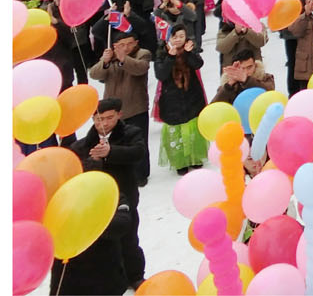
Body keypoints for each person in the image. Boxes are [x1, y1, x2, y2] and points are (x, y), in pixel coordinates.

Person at [68, 99, 147, 289]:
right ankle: (112, 279)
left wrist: (111, 152)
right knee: (104, 244)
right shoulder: (83, 144)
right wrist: (94, 160)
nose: (103, 124)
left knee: (129, 239)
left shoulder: (130, 134)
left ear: (119, 115)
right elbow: (75, 169)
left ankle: (135, 275)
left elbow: (137, 153)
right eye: (98, 119)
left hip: (124, 195)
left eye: (108, 118)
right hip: (96, 201)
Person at [88, 30, 152, 186]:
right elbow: (94, 74)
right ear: (115, 45)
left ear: (136, 42)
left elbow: (140, 68)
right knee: (116, 142)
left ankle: (141, 175)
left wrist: (124, 58)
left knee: (138, 141)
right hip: (113, 110)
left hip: (136, 106)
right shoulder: (110, 58)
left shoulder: (142, 54)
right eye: (121, 45)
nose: (126, 47)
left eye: (129, 43)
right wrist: (104, 61)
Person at [154, 24, 209, 174]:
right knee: (176, 131)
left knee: (193, 128)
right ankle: (180, 162)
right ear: (168, 38)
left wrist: (189, 54)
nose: (178, 40)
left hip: (191, 95)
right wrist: (170, 57)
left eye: (181, 36)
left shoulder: (189, 49)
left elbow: (198, 64)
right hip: (171, 98)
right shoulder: (161, 53)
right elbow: (161, 74)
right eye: (175, 36)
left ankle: (196, 157)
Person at [211, 47, 276, 105]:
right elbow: (214, 106)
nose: (246, 72)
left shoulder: (265, 78)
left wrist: (247, 80)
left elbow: (270, 92)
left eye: (249, 67)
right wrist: (229, 86)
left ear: (255, 65)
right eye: (242, 68)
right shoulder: (227, 85)